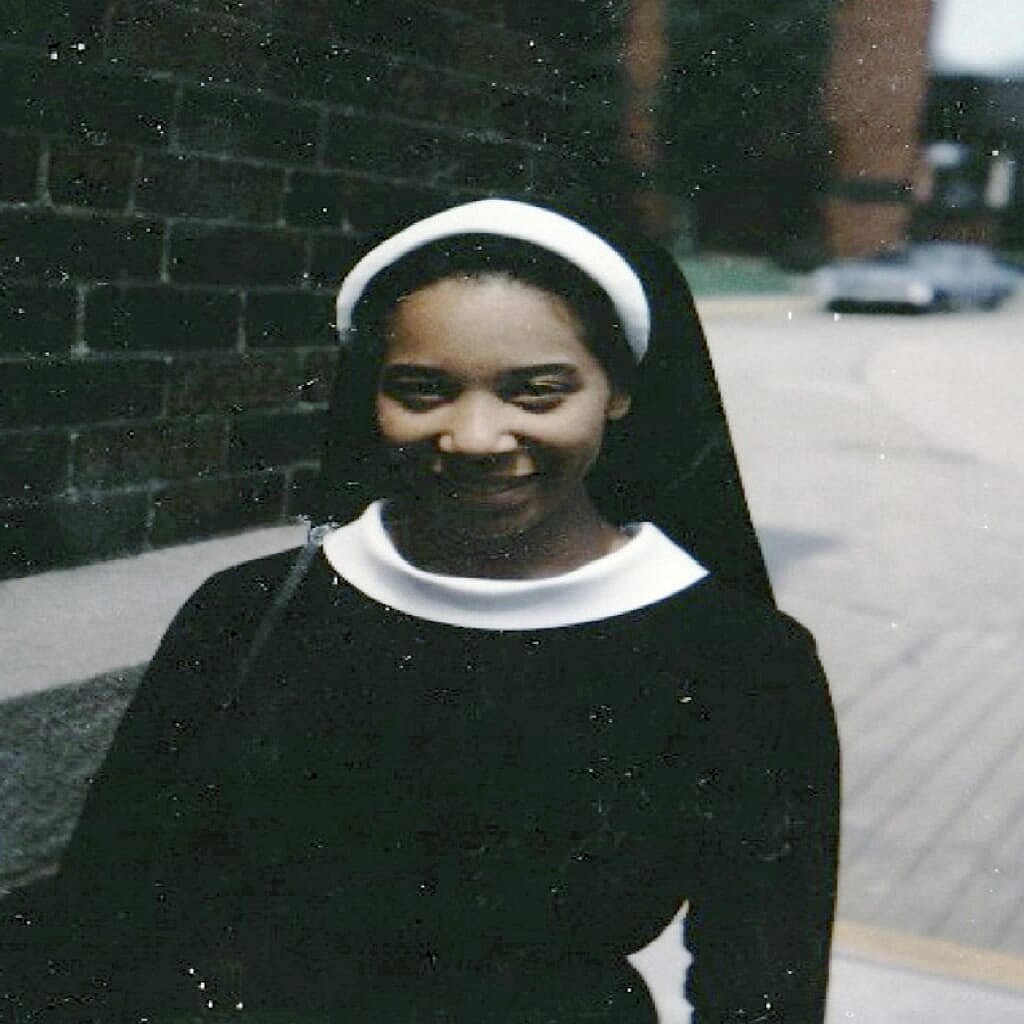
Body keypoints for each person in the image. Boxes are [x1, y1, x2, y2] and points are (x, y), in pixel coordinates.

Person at [2, 198, 839, 1023]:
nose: (476, 436)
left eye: (537, 392)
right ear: (369, 395)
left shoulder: (742, 661)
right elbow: (104, 908)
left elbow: (763, 987)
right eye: (421, 390)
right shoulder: (249, 610)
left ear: (617, 391)